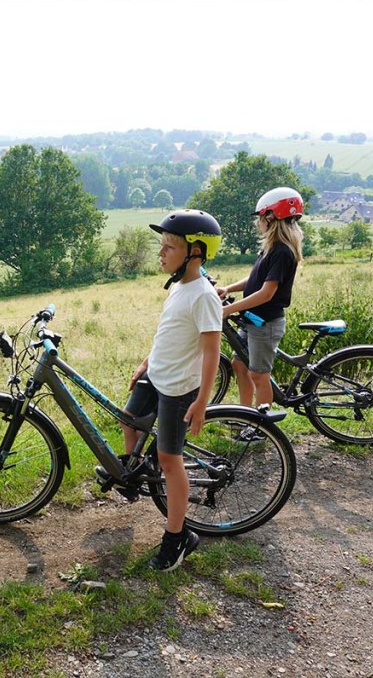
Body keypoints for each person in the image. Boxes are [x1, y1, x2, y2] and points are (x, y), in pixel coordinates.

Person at [99, 209, 223, 572]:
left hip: (180, 388)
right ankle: (133, 472)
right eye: (162, 245)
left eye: (169, 246)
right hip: (157, 374)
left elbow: (212, 351)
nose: (161, 253)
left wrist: (201, 401)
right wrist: (146, 362)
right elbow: (168, 335)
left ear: (195, 253)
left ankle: (178, 537)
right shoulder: (179, 287)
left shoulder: (203, 295)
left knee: (171, 461)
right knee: (130, 419)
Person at [215, 187, 305, 427]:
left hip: (265, 323)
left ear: (271, 217)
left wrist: (229, 310)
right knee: (239, 364)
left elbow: (266, 293)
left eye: (260, 217)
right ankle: (245, 415)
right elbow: (255, 280)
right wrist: (228, 289)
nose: (258, 222)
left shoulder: (282, 252)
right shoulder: (270, 248)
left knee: (258, 374)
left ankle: (261, 426)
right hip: (253, 319)